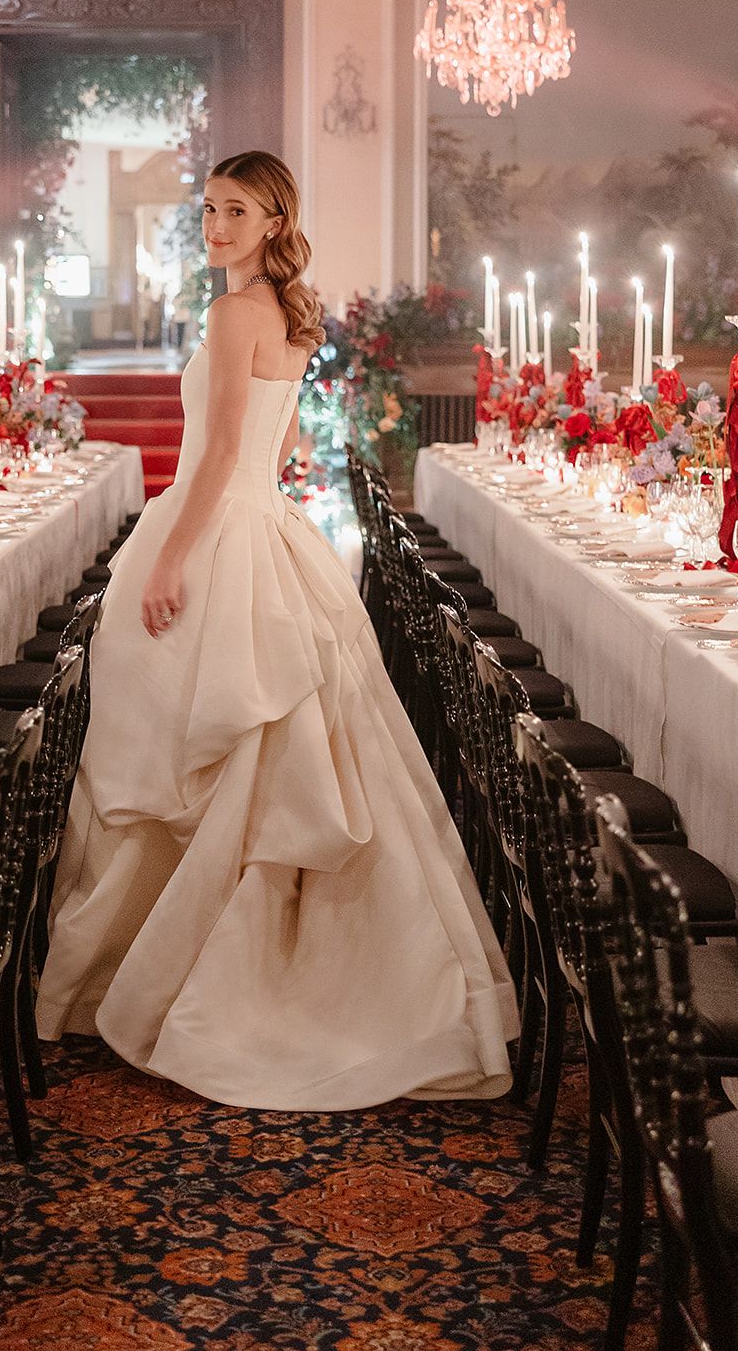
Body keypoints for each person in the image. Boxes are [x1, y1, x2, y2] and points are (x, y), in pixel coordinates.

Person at [36, 150, 517, 1110]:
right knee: (237, 752)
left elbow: (215, 453)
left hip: (216, 531)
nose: (214, 226)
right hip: (262, 525)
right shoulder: (289, 315)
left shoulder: (230, 313)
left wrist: (171, 555)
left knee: (188, 753)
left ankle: (177, 977)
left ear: (270, 222)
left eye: (236, 211)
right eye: (208, 208)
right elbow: (281, 442)